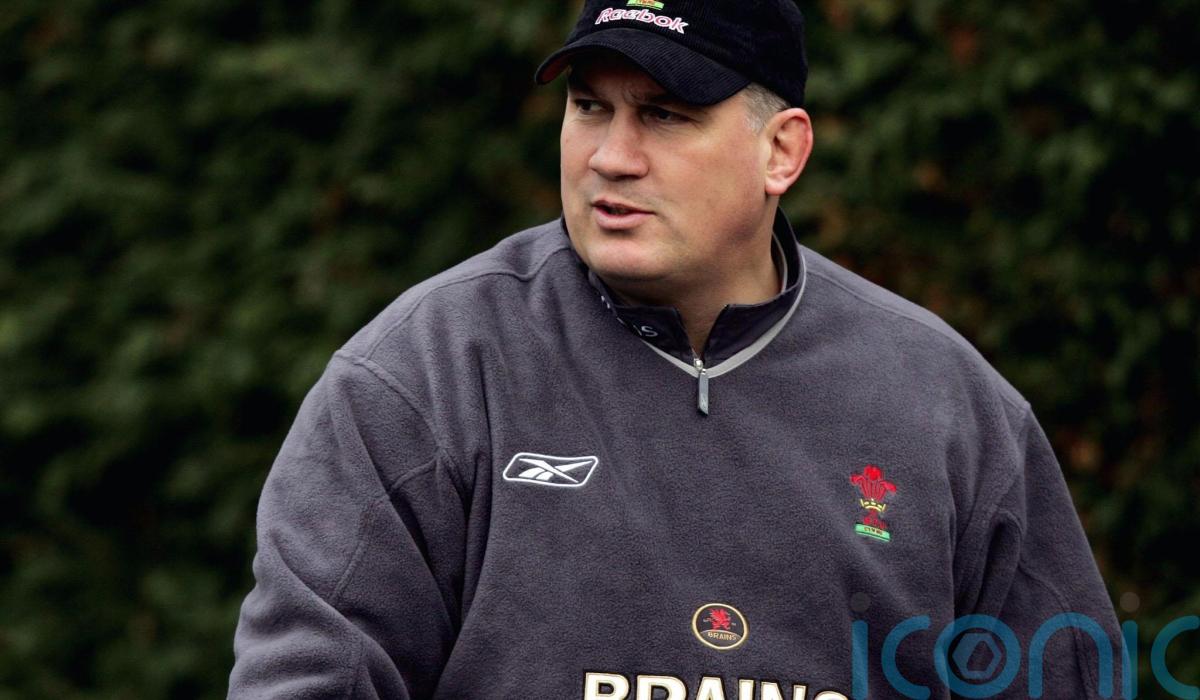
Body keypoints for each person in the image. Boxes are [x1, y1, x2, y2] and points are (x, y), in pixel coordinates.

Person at [228, 1, 1124, 698]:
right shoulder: (427, 375)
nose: (612, 157)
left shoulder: (945, 407)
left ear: (782, 151)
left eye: (663, 115)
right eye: (590, 107)